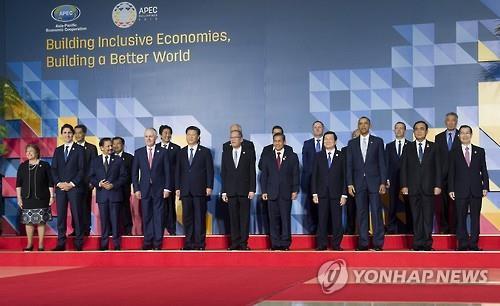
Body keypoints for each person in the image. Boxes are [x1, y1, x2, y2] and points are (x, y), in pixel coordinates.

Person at [346, 116, 386, 251]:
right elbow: (349, 165)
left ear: (370, 125)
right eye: (360, 124)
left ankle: (377, 243)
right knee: (361, 213)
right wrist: (350, 183)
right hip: (358, 183)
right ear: (358, 126)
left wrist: (382, 182)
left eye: (365, 123)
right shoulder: (352, 143)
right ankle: (363, 243)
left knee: (376, 213)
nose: (363, 126)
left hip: (375, 182)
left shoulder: (378, 141)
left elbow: (382, 163)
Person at [400, 121, 441, 251]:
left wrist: (438, 185)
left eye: (422, 129)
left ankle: (427, 244)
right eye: (416, 129)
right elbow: (403, 168)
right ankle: (417, 244)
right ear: (413, 132)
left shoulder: (434, 147)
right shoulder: (408, 147)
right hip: (412, 188)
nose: (419, 131)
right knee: (416, 216)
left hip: (429, 188)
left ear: (426, 131)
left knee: (428, 217)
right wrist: (404, 185)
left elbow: (438, 168)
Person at [448, 125, 489, 251]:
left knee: (475, 217)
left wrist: (485, 186)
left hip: (476, 189)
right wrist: (451, 189)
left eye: (467, 133)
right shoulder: (454, 152)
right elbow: (451, 172)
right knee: (460, 217)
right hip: (460, 190)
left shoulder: (480, 151)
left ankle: (474, 244)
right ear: (459, 135)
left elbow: (484, 170)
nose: (465, 135)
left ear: (471, 135)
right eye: (462, 133)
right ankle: (463, 244)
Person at [132, 128, 171, 250]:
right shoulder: (138, 152)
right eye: (146, 136)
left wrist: (167, 188)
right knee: (147, 216)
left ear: (155, 138)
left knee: (158, 217)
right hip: (144, 190)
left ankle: (157, 243)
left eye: (150, 136)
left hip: (159, 190)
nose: (148, 139)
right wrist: (136, 189)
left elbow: (167, 172)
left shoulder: (163, 152)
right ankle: (148, 242)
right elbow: (134, 173)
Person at [175, 126, 214, 250]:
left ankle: (200, 244)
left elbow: (210, 171)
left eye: (193, 135)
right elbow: (178, 171)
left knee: (199, 218)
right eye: (189, 134)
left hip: (200, 190)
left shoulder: (205, 152)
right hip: (185, 190)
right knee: (187, 218)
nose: (191, 137)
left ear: (198, 137)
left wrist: (209, 186)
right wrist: (177, 187)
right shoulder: (181, 152)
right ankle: (189, 244)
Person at [260, 133, 299, 251]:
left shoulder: (292, 156)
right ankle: (275, 243)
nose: (277, 143)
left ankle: (285, 244)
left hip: (286, 193)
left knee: (285, 219)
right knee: (273, 220)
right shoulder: (267, 157)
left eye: (279, 141)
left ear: (284, 142)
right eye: (275, 141)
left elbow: (296, 174)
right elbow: (264, 176)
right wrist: (264, 191)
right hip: (272, 193)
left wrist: (295, 190)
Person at [51, 124, 85, 251]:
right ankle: (61, 243)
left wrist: (71, 184)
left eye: (69, 132)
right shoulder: (58, 150)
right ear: (61, 134)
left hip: (74, 188)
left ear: (73, 134)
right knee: (61, 216)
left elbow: (82, 170)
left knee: (77, 215)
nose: (67, 135)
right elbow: (53, 169)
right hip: (60, 189)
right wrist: (59, 183)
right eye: (65, 132)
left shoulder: (80, 150)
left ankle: (79, 243)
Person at [311, 131, 347, 251]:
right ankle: (322, 244)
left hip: (337, 194)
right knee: (322, 220)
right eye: (325, 139)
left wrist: (344, 194)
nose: (327, 141)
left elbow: (344, 176)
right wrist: (314, 193)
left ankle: (336, 245)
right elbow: (314, 175)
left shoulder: (342, 155)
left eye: (330, 139)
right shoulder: (318, 156)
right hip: (321, 194)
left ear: (335, 141)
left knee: (337, 220)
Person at [221, 129, 256, 250]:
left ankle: (243, 243)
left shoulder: (249, 152)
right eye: (231, 137)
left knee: (244, 219)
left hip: (245, 191)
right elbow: (224, 173)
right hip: (230, 191)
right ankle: (234, 243)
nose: (233, 139)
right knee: (233, 218)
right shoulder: (226, 153)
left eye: (235, 137)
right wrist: (224, 191)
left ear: (241, 139)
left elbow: (252, 172)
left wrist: (252, 189)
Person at [90, 138, 127, 251]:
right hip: (102, 195)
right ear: (101, 148)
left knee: (116, 221)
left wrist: (114, 185)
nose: (111, 148)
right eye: (108, 146)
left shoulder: (119, 160)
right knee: (104, 221)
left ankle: (116, 244)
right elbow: (91, 176)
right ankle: (104, 243)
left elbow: (124, 176)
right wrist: (99, 183)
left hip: (115, 195)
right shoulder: (95, 161)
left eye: (111, 146)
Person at [16, 144, 54, 251]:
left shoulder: (45, 165)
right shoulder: (22, 166)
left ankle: (41, 244)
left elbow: (50, 182)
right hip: (27, 198)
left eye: (31, 151)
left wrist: (52, 196)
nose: (28, 153)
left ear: (37, 153)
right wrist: (19, 198)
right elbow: (18, 184)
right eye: (27, 151)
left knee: (41, 221)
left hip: (42, 198)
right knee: (29, 221)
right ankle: (29, 244)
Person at [434, 112, 460, 234]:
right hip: (442, 177)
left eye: (453, 120)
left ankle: (455, 228)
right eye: (448, 120)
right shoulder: (438, 137)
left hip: (457, 176)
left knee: (456, 204)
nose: (450, 122)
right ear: (445, 122)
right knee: (442, 204)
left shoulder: (462, 135)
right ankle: (444, 228)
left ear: (456, 122)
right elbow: (437, 158)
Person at [385, 122, 411, 234]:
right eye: (397, 128)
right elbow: (386, 163)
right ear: (394, 130)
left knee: (409, 204)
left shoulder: (411, 145)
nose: (399, 130)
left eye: (401, 128)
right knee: (392, 204)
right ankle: (391, 228)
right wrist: (386, 178)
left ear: (405, 131)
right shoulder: (389, 146)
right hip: (392, 179)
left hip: (408, 179)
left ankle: (411, 227)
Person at [73, 124, 98, 236]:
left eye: (80, 132)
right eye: (76, 133)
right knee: (74, 207)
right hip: (73, 184)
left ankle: (86, 229)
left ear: (84, 133)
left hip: (86, 183)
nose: (78, 135)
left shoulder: (92, 148)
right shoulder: (71, 147)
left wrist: (92, 181)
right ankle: (75, 229)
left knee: (85, 206)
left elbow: (94, 166)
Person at [156, 125, 181, 235]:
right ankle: (159, 230)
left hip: (170, 184)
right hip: (157, 184)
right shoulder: (155, 147)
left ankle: (172, 230)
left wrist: (177, 185)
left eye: (169, 133)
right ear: (160, 135)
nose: (167, 135)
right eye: (165, 133)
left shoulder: (176, 148)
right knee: (158, 208)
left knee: (170, 208)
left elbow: (178, 168)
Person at [301, 120, 325, 234]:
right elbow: (305, 165)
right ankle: (312, 231)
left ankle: (324, 230)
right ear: (312, 129)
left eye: (319, 127)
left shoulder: (328, 142)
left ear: (323, 129)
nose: (317, 129)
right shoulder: (307, 144)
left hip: (325, 182)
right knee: (311, 208)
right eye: (315, 127)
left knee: (324, 208)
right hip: (311, 182)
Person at [112, 137, 134, 235]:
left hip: (124, 188)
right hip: (112, 189)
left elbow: (133, 174)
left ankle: (128, 230)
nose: (116, 146)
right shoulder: (109, 157)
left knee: (125, 209)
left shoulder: (130, 158)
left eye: (118, 143)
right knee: (113, 210)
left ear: (123, 145)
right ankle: (113, 230)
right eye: (114, 144)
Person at [343, 128, 359, 235]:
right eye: (355, 136)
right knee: (350, 209)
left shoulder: (367, 148)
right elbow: (344, 168)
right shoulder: (344, 150)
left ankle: (364, 230)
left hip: (364, 183)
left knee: (363, 209)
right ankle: (350, 230)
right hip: (349, 183)